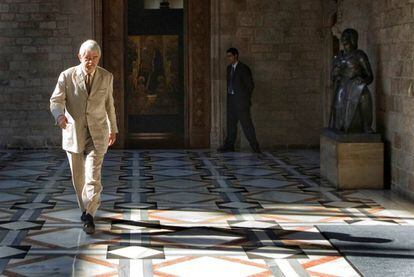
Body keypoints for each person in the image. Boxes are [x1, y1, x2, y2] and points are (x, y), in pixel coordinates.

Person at [50, 40, 118, 234]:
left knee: (93, 177)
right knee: (78, 179)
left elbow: (109, 105)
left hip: (98, 133)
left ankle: (89, 215)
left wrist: (113, 128)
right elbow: (55, 101)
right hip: (74, 133)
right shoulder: (67, 76)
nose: (91, 62)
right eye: (87, 58)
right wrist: (59, 115)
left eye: (95, 58)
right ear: (80, 57)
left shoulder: (107, 77)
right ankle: (85, 210)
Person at [330, 28, 374, 133]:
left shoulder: (359, 55)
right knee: (340, 97)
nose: (344, 40)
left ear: (352, 39)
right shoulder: (338, 57)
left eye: (347, 37)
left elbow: (370, 76)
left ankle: (366, 125)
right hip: (342, 86)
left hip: (356, 85)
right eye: (343, 37)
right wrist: (335, 74)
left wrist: (362, 80)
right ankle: (340, 124)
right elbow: (332, 78)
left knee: (365, 96)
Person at [218, 48, 261, 153]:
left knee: (246, 124)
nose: (228, 58)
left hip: (241, 102)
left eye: (230, 56)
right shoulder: (229, 69)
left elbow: (250, 86)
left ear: (236, 56)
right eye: (227, 56)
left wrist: (244, 100)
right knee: (231, 124)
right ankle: (229, 145)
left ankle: (255, 146)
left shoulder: (244, 68)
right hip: (231, 101)